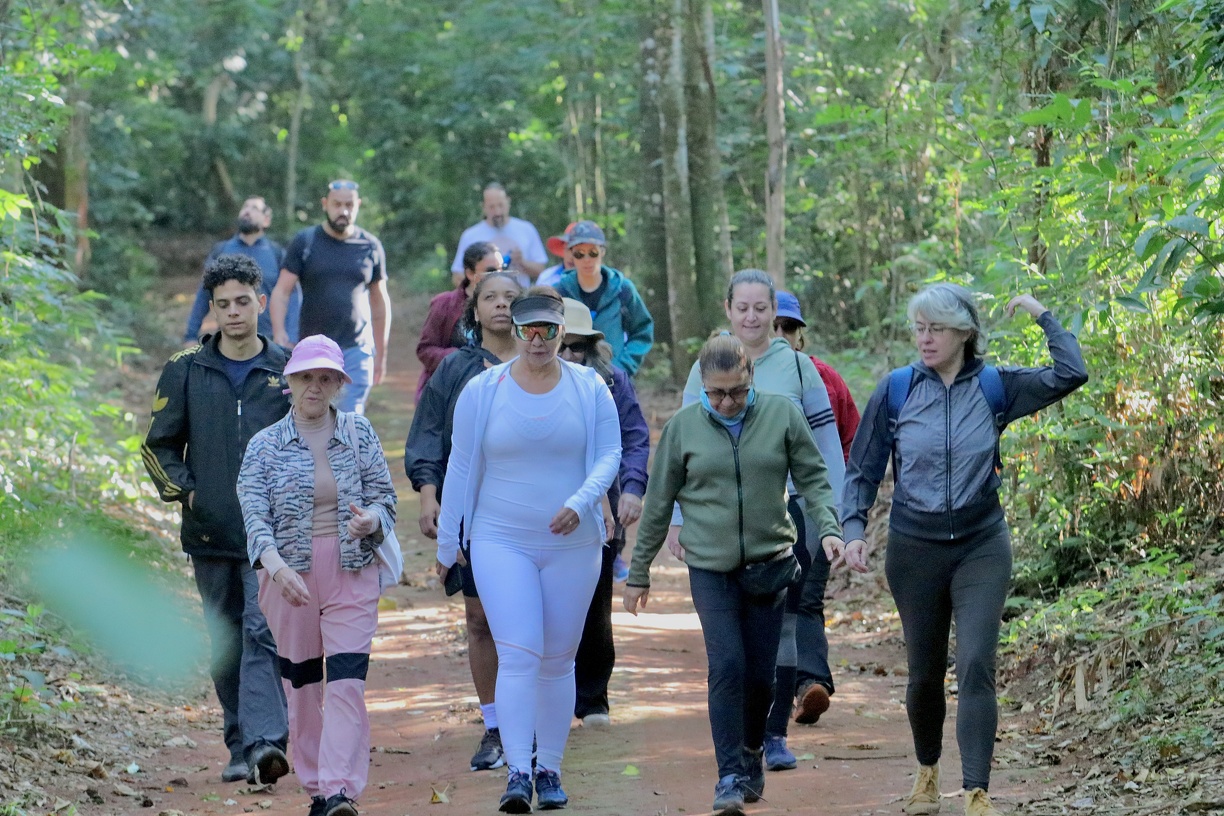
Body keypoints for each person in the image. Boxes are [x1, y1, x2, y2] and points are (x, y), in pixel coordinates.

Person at [840, 285, 1087, 816]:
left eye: (937, 328)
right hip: (914, 547)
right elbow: (862, 468)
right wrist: (854, 528)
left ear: (965, 333)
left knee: (976, 662)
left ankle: (977, 791)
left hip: (981, 543)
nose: (925, 339)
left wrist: (1042, 314)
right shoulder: (897, 390)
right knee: (924, 670)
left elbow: (1071, 372)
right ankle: (927, 773)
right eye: (919, 328)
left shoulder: (998, 386)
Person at [624, 334, 846, 816]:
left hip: (770, 564)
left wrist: (829, 528)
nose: (727, 402)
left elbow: (813, 477)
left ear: (752, 381)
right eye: (716, 393)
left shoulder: (782, 416)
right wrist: (639, 571)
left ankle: (751, 750)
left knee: (762, 679)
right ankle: (728, 775)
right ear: (702, 385)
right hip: (711, 568)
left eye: (737, 392)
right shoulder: (685, 428)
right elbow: (659, 502)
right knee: (726, 666)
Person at [435, 287, 621, 813]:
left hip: (572, 543)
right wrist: (450, 540)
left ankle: (551, 768)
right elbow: (462, 465)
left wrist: (582, 502)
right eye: (527, 330)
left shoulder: (589, 388)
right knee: (519, 652)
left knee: (558, 659)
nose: (537, 340)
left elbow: (610, 454)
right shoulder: (483, 390)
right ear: (514, 333)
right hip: (501, 539)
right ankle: (518, 770)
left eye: (548, 330)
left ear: (564, 333)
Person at [670, 270, 846, 772]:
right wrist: (679, 517)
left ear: (775, 312)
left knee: (785, 625)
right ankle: (743, 736)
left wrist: (832, 516)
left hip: (787, 511)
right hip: (719, 518)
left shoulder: (798, 367)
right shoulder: (707, 365)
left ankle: (774, 734)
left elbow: (825, 450)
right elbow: (682, 451)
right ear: (728, 308)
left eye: (760, 308)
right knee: (736, 639)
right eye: (742, 307)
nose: (751, 317)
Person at [142, 254, 291, 786]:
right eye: (223, 304)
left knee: (262, 631)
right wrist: (191, 495)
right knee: (225, 640)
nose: (234, 313)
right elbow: (158, 446)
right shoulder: (185, 368)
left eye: (243, 302)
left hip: (270, 537)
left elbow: (306, 444)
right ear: (211, 309)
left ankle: (265, 744)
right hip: (208, 534)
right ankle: (238, 742)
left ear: (261, 302)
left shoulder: (287, 370)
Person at [237, 334, 398, 816]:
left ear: (338, 384)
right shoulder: (264, 445)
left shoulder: (359, 432)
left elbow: (385, 498)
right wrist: (275, 565)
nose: (315, 386)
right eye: (306, 376)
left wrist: (372, 520)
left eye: (326, 377)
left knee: (347, 682)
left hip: (352, 568)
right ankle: (314, 787)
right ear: (289, 381)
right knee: (304, 687)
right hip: (289, 579)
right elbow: (254, 515)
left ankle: (338, 790)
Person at [404, 271, 523, 772]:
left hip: (536, 515)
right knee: (479, 620)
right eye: (489, 298)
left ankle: (534, 720)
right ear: (473, 312)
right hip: (474, 512)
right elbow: (429, 432)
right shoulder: (456, 372)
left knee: (532, 625)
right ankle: (496, 728)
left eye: (510, 298)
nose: (500, 305)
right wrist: (430, 495)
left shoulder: (547, 366)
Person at [558, 297, 650, 728]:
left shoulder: (613, 383)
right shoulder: (519, 383)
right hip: (542, 511)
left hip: (602, 510)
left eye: (578, 347)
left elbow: (634, 438)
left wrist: (632, 489)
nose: (570, 355)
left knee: (596, 605)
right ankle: (549, 695)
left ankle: (593, 696)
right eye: (564, 345)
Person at [271, 180, 392, 415]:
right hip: (311, 349)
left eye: (349, 205)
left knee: (349, 420)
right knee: (309, 416)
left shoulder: (370, 246)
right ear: (325, 204)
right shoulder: (305, 242)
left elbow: (380, 303)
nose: (343, 211)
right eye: (337, 204)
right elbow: (281, 291)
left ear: (358, 205)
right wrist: (279, 334)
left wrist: (381, 353)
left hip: (356, 350)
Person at [183, 196, 302, 345]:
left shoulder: (277, 254)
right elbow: (204, 293)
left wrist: (291, 337)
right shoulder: (221, 251)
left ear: (266, 220)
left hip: (269, 342)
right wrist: (191, 335)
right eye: (245, 207)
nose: (247, 211)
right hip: (229, 342)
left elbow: (291, 295)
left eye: (254, 208)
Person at [554, 221, 654, 377]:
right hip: (569, 377)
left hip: (613, 380)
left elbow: (642, 330)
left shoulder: (623, 289)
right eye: (579, 254)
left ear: (602, 252)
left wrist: (623, 367)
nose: (587, 259)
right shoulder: (560, 291)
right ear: (571, 255)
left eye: (593, 252)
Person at [774, 291, 860, 462]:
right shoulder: (746, 379)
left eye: (789, 326)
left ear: (799, 335)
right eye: (772, 326)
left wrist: (839, 480)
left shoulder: (824, 377)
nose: (780, 336)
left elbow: (854, 439)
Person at [414, 242, 506, 400]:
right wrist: (460, 359)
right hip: (448, 392)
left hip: (495, 392)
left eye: (502, 268)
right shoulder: (444, 304)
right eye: (491, 271)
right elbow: (425, 350)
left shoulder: (508, 306)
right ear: (470, 273)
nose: (499, 275)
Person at [451, 183, 548, 288]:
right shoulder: (470, 236)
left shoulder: (527, 230)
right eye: (491, 207)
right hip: (485, 300)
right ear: (483, 207)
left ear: (508, 202)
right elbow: (458, 275)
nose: (497, 212)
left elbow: (541, 270)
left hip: (520, 298)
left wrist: (522, 262)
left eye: (501, 205)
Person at [536, 222, 576, 288]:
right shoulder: (546, 277)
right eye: (569, 248)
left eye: (579, 252)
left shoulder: (596, 281)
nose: (571, 256)